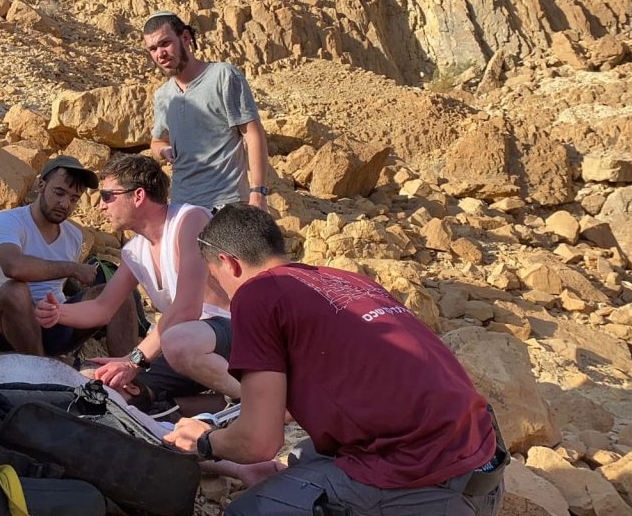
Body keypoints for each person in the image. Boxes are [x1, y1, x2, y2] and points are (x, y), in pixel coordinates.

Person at [165, 205, 507, 516]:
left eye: (216, 277)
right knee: (305, 458)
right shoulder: (344, 280)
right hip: (483, 466)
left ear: (229, 263)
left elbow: (259, 442)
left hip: (427, 484)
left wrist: (205, 440)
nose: (222, 290)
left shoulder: (257, 294)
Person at [35, 154, 239, 407]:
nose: (101, 205)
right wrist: (57, 313)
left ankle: (257, 400)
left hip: (232, 332)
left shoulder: (189, 220)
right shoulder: (134, 251)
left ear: (138, 195)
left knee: (178, 341)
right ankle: (221, 405)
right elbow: (102, 308)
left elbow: (188, 308)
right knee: (112, 387)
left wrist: (133, 360)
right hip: (181, 343)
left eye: (108, 195)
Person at [0, 156, 139, 357]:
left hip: (54, 323)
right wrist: (73, 269)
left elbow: (56, 289)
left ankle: (127, 375)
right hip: (5, 328)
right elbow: (13, 267)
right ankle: (40, 371)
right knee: (15, 290)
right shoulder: (9, 220)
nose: (65, 204)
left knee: (118, 294)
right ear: (41, 185)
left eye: (74, 199)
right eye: (59, 192)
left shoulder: (73, 235)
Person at [143, 11, 270, 212]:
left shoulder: (223, 76)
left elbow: (252, 133)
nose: (160, 54)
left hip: (228, 204)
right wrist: (164, 151)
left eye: (165, 43)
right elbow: (157, 142)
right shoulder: (163, 96)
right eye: (153, 49)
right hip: (181, 208)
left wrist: (258, 192)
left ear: (185, 38)